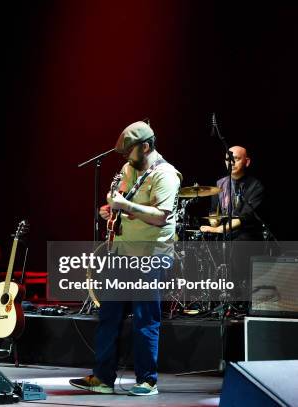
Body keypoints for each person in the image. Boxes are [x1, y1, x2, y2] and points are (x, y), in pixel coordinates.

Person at [69, 121, 182, 396]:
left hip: (149, 255)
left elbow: (160, 216)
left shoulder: (166, 175)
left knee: (145, 319)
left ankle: (148, 381)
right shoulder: (128, 168)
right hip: (121, 251)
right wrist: (111, 209)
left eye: (129, 150)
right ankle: (103, 378)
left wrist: (125, 205)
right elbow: (123, 199)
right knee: (109, 316)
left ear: (145, 147)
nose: (124, 157)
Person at [200, 146, 264, 241]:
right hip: (224, 232)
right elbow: (214, 212)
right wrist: (213, 221)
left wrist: (219, 229)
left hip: (246, 235)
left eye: (236, 159)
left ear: (247, 162)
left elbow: (245, 217)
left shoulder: (255, 186)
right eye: (228, 159)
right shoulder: (219, 184)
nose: (231, 163)